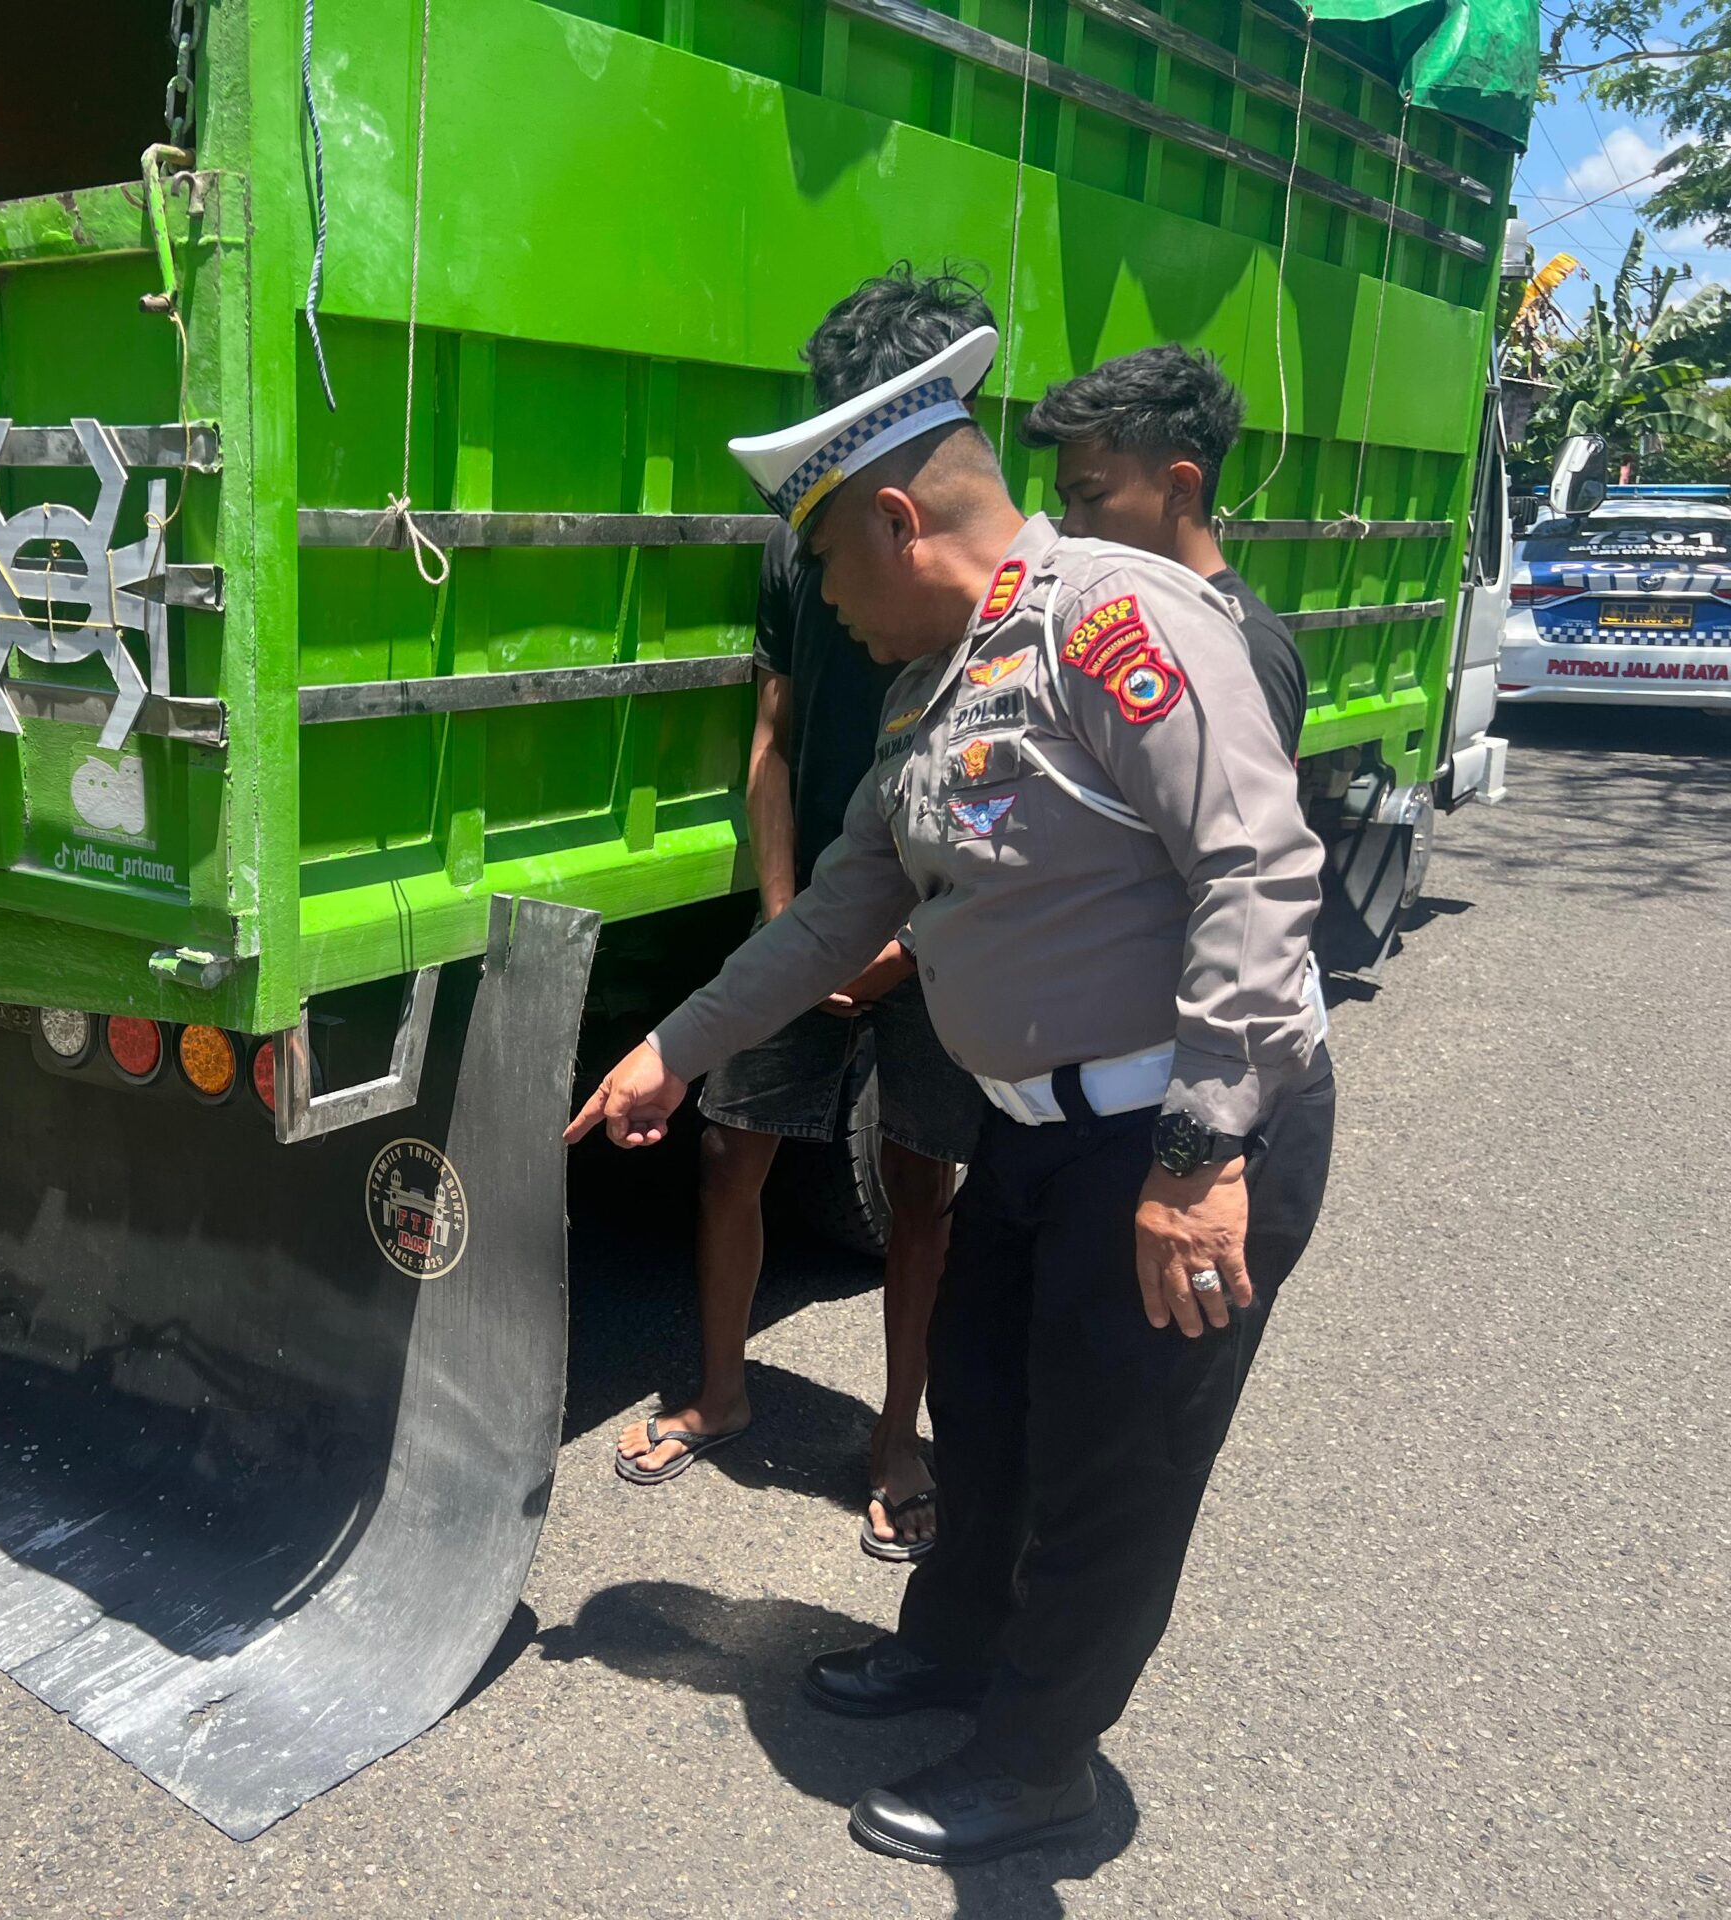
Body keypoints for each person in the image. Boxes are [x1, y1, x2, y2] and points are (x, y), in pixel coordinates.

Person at [566, 286, 1335, 1866]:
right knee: (985, 1415)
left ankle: (1041, 1768)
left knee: (1110, 1473)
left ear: (899, 521)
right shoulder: (938, 687)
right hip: (1039, 1134)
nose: (827, 608)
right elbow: (833, 919)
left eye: (828, 568)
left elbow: (1257, 872)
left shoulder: (1115, 625)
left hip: (1183, 1132)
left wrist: (1201, 1157)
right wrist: (669, 1050)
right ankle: (957, 1653)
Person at [614, 273, 991, 1571]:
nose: (834, 586)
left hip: (931, 927)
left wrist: (903, 944)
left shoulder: (1011, 617)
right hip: (817, 911)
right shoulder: (803, 550)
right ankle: (720, 1392)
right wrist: (792, 925)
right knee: (730, 1147)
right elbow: (770, 742)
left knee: (921, 1185)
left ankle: (897, 1442)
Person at [1019, 345, 1306, 758]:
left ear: (1179, 488)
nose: (1072, 527)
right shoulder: (1103, 618)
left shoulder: (1245, 649)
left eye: (1093, 497)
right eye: (1066, 503)